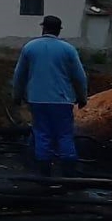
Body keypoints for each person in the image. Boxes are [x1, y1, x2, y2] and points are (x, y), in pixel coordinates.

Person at [12, 15, 88, 177]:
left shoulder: (30, 47)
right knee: (64, 134)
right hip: (62, 100)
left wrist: (17, 96)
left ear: (43, 28)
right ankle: (68, 171)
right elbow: (79, 77)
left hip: (37, 100)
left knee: (42, 133)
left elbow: (19, 75)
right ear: (59, 30)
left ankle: (44, 172)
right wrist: (82, 97)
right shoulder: (68, 49)